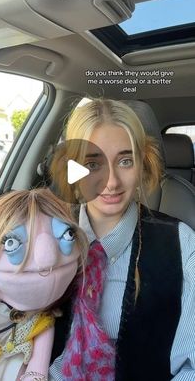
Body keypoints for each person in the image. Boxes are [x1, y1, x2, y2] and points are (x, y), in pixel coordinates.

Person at [49, 99, 195, 381]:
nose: (111, 182)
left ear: (142, 165)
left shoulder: (182, 245)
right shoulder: (42, 237)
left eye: (125, 161)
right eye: (92, 163)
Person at [0, 188, 88, 381]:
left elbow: (37, 372)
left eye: (67, 235)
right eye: (12, 243)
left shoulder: (43, 322)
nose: (48, 258)